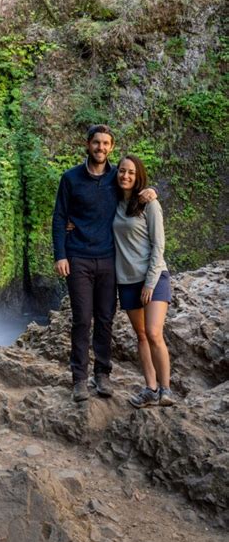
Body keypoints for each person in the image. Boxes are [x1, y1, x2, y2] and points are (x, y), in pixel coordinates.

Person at [52, 125, 156, 402]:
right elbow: (60, 217)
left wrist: (150, 191)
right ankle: (79, 380)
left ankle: (102, 374)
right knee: (82, 319)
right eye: (96, 143)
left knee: (106, 319)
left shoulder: (116, 177)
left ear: (111, 146)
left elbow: (136, 188)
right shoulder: (71, 178)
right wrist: (60, 254)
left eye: (106, 143)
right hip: (78, 258)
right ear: (87, 144)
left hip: (110, 259)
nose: (101, 148)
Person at [113, 154, 175, 407]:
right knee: (140, 335)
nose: (125, 176)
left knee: (153, 332)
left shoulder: (149, 204)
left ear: (139, 177)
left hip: (154, 277)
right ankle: (150, 388)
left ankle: (166, 389)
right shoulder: (114, 202)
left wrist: (150, 282)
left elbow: (159, 244)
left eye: (131, 172)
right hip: (126, 280)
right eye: (122, 171)